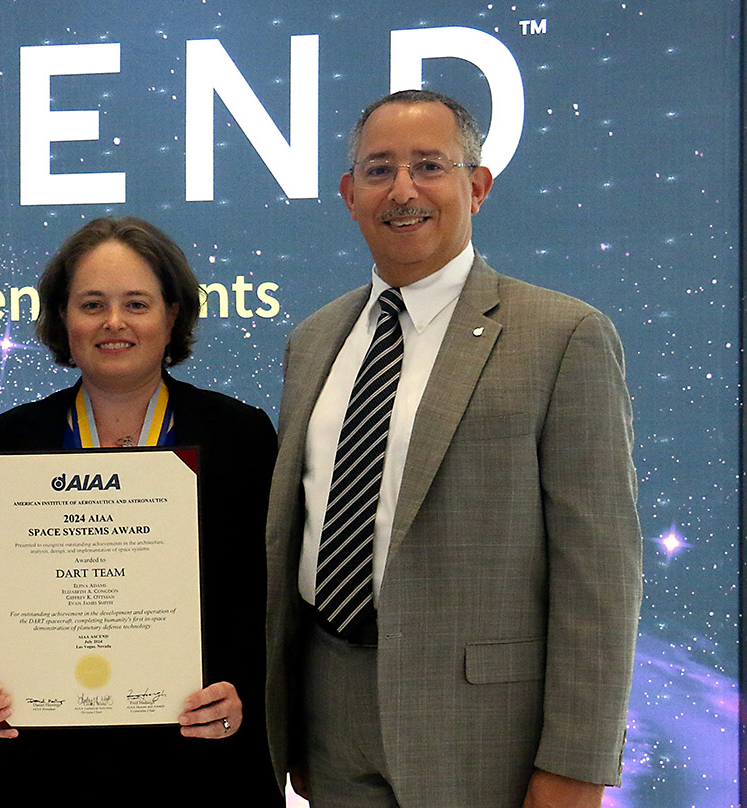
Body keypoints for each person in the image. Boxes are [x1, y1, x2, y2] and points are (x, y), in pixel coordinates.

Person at [263, 89, 642, 807]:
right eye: (379, 170)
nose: (403, 190)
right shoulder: (313, 341)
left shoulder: (563, 335)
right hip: (329, 716)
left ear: (476, 185)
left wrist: (578, 762)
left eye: (428, 166)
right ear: (349, 195)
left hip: (484, 730)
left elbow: (600, 570)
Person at [0, 217, 282, 805]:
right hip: (38, 762)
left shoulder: (239, 435)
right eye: (92, 304)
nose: (114, 323)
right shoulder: (11, 438)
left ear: (172, 316)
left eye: (137, 303)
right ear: (62, 320)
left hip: (200, 759)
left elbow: (268, 589)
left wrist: (245, 688)